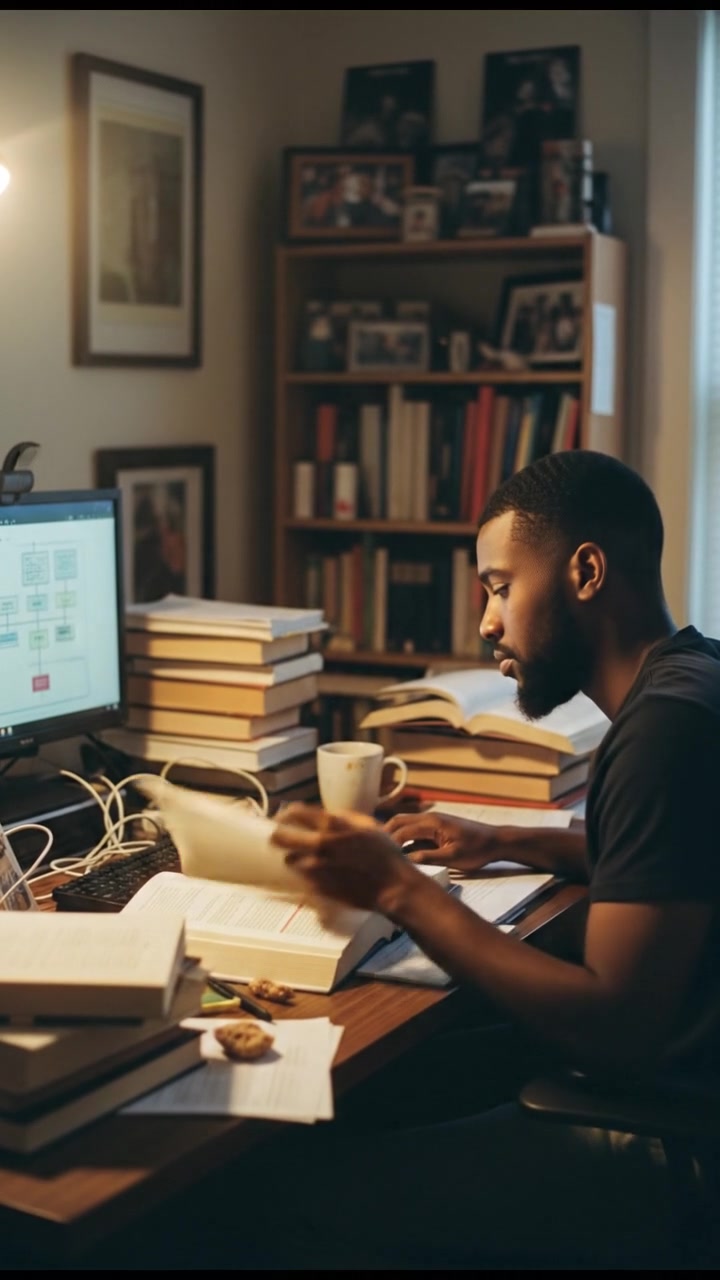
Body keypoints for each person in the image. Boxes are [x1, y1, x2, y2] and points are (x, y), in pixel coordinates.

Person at [129, 450, 720, 1270]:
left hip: (663, 1150)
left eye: (500, 587)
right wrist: (506, 839)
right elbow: (669, 862)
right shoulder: (696, 676)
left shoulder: (660, 732)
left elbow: (615, 1021)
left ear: (586, 571)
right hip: (675, 1099)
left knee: (278, 1193)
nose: (485, 623)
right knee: (396, 1087)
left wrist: (399, 889)